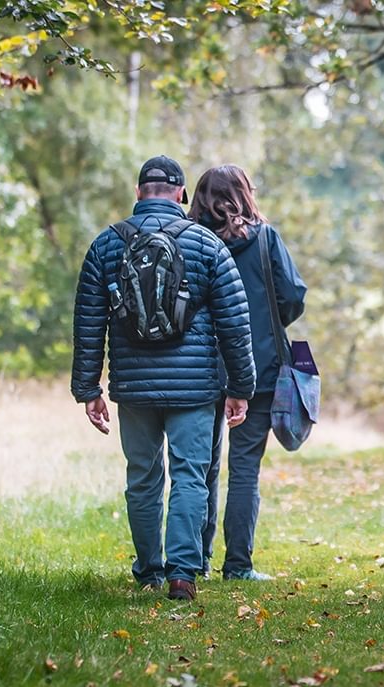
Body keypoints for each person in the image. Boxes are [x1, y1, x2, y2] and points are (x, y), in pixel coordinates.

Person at [72, 155, 255, 602]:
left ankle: (150, 569)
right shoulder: (206, 245)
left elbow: (88, 322)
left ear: (138, 193)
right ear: (180, 194)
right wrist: (241, 389)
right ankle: (183, 573)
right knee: (191, 475)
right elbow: (235, 322)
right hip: (194, 388)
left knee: (142, 477)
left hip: (133, 387)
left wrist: (88, 389)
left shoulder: (105, 246)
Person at [189, 164, 307, 582]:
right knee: (244, 467)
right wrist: (268, 322)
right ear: (244, 195)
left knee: (200, 465)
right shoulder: (264, 239)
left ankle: (195, 560)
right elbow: (293, 295)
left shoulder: (192, 241)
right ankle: (238, 566)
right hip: (258, 365)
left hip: (200, 365)